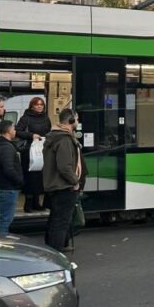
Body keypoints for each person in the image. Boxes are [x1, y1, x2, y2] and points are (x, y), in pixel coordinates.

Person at [42, 108, 85, 252]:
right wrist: (75, 181)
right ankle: (56, 252)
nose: (78, 122)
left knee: (55, 218)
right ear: (71, 121)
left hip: (55, 185)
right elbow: (65, 167)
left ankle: (52, 247)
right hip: (64, 186)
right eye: (77, 119)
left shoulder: (54, 136)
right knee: (62, 221)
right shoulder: (64, 140)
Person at [14, 96, 51, 213]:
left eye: (41, 104)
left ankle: (37, 202)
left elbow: (48, 130)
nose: (39, 106)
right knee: (30, 176)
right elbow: (17, 131)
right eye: (37, 104)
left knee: (40, 176)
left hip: (42, 149)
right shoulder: (25, 118)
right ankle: (28, 203)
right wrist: (31, 135)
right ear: (32, 106)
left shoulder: (46, 118)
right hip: (29, 151)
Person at [0, 120, 24, 237]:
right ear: (8, 131)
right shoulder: (7, 147)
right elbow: (8, 169)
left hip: (4, 187)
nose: (15, 131)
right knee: (5, 220)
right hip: (8, 189)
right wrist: (20, 181)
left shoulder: (2, 145)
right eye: (14, 129)